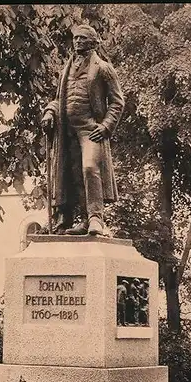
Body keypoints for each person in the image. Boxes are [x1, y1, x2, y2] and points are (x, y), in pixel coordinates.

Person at [42, 24, 125, 236]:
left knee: (89, 168)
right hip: (67, 130)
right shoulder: (66, 70)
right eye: (76, 38)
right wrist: (50, 112)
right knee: (73, 175)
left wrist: (106, 126)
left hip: (91, 130)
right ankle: (80, 219)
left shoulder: (103, 68)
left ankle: (96, 218)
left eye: (83, 38)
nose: (78, 41)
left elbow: (118, 102)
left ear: (93, 42)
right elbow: (59, 99)